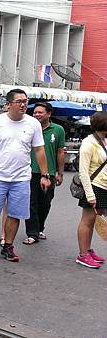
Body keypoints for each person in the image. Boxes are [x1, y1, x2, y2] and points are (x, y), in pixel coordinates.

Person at [0, 89, 51, 262]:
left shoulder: (33, 124)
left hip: (21, 178)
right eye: (19, 101)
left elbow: (39, 150)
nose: (23, 104)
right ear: (8, 105)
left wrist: (45, 174)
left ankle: (8, 247)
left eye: (25, 101)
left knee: (15, 214)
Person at [23, 102, 65, 244]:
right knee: (31, 203)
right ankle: (32, 233)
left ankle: (40, 228)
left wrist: (60, 173)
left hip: (50, 173)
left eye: (40, 112)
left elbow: (60, 152)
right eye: (35, 112)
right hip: (30, 172)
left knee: (45, 203)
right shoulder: (29, 128)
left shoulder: (58, 130)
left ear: (49, 114)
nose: (37, 115)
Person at [73, 112, 107, 269]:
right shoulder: (88, 143)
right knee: (87, 220)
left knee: (94, 220)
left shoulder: (104, 140)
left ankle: (88, 249)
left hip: (104, 186)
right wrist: (90, 195)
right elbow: (83, 172)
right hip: (93, 186)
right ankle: (83, 255)